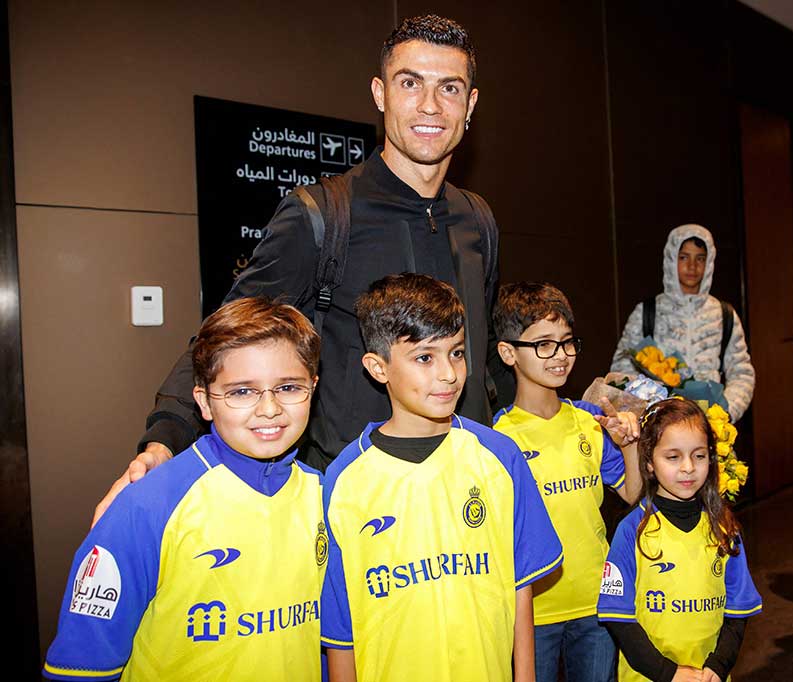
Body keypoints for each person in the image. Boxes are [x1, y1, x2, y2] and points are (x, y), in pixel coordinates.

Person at [94, 14, 506, 523]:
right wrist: (164, 440)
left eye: (449, 88)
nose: (429, 105)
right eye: (409, 83)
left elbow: (486, 363)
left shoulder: (477, 221)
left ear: (471, 104)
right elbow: (224, 339)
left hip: (465, 498)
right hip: (355, 511)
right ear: (380, 94)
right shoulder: (321, 215)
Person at [43, 298, 325, 681]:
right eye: (242, 392)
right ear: (205, 403)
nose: (270, 409)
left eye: (288, 387)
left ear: (313, 388)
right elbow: (81, 666)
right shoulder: (146, 506)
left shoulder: (321, 495)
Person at [320, 273, 563, 682]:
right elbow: (340, 631)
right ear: (378, 368)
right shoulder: (343, 479)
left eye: (456, 353)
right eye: (424, 358)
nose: (449, 374)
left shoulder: (499, 457)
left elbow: (522, 589)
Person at [491, 281, 642, 682]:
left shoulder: (589, 422)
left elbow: (631, 492)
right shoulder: (496, 438)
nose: (560, 356)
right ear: (508, 353)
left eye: (567, 342)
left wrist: (628, 445)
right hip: (531, 613)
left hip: (596, 604)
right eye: (543, 344)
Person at [597, 397, 761, 682]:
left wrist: (717, 667)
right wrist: (668, 673)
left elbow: (737, 612)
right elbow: (618, 619)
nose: (688, 467)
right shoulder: (631, 530)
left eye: (698, 455)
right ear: (649, 462)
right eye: (673, 457)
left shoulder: (725, 528)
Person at [610, 225, 755, 422]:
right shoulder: (646, 312)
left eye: (700, 258)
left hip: (711, 428)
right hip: (660, 426)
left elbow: (742, 372)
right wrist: (649, 409)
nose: (692, 266)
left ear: (710, 262)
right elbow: (622, 369)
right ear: (670, 259)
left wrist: (724, 413)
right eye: (684, 257)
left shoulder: (723, 314)